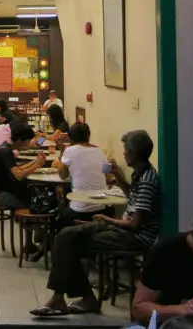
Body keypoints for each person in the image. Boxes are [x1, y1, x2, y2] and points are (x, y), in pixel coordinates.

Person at [31, 130, 162, 317]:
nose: (123, 154)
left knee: (69, 243)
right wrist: (120, 178)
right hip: (121, 227)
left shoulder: (148, 180)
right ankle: (74, 298)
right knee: (65, 236)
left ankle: (67, 299)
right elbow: (133, 197)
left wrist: (107, 219)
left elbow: (135, 224)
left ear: (133, 153)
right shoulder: (140, 173)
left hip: (134, 236)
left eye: (125, 151)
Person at [56, 122, 111, 229]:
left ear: (70, 139)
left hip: (79, 210)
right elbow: (107, 174)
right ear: (88, 136)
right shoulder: (99, 151)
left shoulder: (69, 151)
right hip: (102, 208)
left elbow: (62, 175)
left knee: (59, 216)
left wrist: (62, 150)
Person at [0, 122, 47, 209]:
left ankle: (28, 221)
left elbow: (18, 169)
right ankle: (29, 220)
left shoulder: (5, 147)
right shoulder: (5, 152)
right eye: (27, 142)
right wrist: (36, 165)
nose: (28, 145)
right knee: (34, 203)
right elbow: (19, 175)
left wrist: (35, 162)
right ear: (20, 140)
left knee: (31, 195)